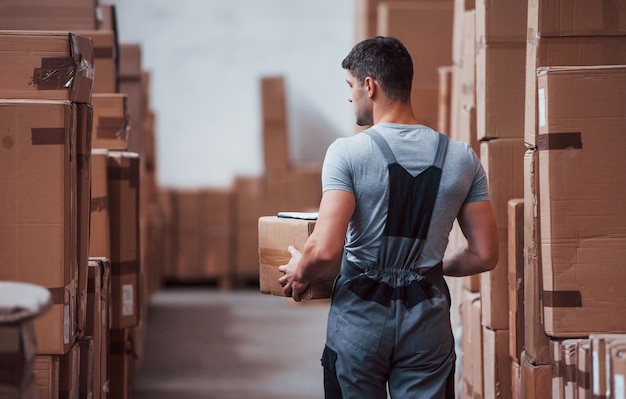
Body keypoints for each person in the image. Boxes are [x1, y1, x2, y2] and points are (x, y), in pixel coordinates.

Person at [278, 36, 498, 399]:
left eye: (350, 86)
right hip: (427, 321)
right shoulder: (462, 158)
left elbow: (324, 252)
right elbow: (484, 254)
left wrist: (300, 270)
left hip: (360, 322)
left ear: (370, 86)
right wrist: (425, 267)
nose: (349, 97)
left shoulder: (347, 153)